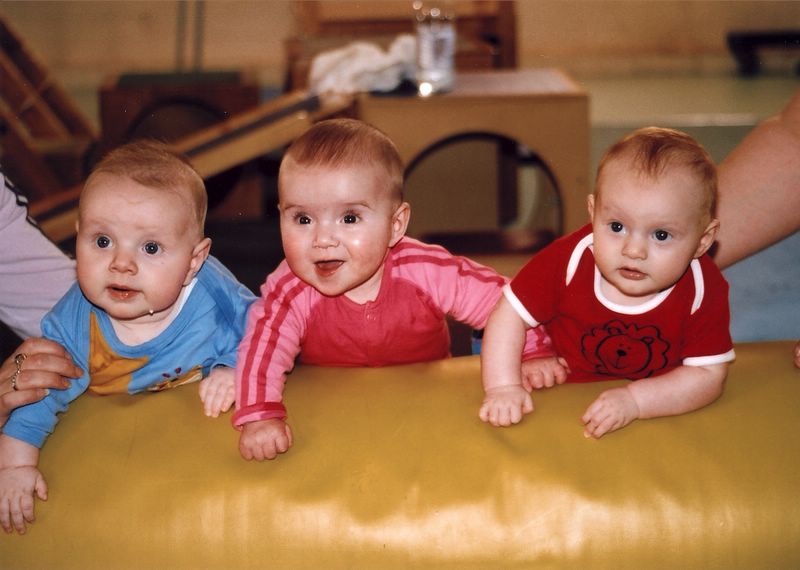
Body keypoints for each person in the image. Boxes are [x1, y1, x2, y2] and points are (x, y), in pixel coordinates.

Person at [233, 118, 552, 461]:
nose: (322, 239)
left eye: (349, 218)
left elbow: (507, 303)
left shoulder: (424, 270)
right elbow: (263, 347)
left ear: (395, 225)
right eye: (303, 219)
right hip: (337, 411)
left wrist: (533, 352)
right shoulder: (291, 289)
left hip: (427, 403)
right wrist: (259, 415)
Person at [0, 141, 256, 534]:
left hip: (204, 444)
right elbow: (39, 395)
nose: (121, 263)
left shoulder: (210, 290)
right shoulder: (74, 322)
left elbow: (265, 326)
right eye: (102, 242)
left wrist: (233, 365)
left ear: (194, 261)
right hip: (128, 454)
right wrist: (15, 467)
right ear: (78, 237)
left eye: (151, 248)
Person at [480, 127, 736, 437]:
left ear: (703, 241)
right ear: (593, 213)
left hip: (657, 399)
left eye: (661, 235)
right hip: (562, 383)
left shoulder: (703, 289)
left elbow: (708, 374)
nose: (634, 250)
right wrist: (503, 386)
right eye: (616, 226)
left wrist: (636, 401)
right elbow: (509, 312)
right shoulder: (568, 260)